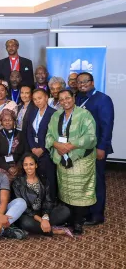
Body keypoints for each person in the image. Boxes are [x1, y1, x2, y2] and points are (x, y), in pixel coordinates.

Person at [46, 90, 97, 235]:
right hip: (62, 159)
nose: (65, 101)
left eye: (67, 98)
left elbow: (91, 137)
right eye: (61, 99)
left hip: (80, 160)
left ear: (73, 98)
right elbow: (49, 136)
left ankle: (78, 222)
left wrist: (71, 145)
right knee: (66, 191)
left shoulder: (84, 114)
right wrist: (58, 145)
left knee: (79, 193)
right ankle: (68, 219)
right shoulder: (56, 115)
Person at [75, 72, 114, 226]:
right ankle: (86, 211)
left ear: (92, 82)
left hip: (96, 149)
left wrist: (102, 147)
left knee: (97, 180)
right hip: (81, 149)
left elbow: (107, 125)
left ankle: (97, 214)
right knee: (85, 180)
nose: (82, 84)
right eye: (79, 82)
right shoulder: (77, 98)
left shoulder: (103, 99)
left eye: (85, 81)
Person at [12, 153, 72, 237]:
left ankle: (42, 227)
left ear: (36, 165)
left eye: (31, 164)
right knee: (25, 223)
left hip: (43, 213)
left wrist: (45, 217)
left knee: (65, 211)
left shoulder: (43, 179)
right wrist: (41, 220)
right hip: (29, 216)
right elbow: (23, 208)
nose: (28, 167)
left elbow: (48, 201)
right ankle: (53, 231)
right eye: (25, 165)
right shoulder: (17, 183)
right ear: (22, 166)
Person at [26, 89, 57, 200]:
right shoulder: (33, 112)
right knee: (36, 178)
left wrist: (43, 148)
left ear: (46, 98)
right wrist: (33, 148)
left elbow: (54, 134)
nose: (37, 101)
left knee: (49, 179)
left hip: (47, 152)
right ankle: (37, 201)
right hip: (34, 151)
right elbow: (29, 131)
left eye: (40, 98)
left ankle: (51, 202)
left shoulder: (53, 113)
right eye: (34, 99)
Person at [0, 110, 25, 181]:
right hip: (1, 166)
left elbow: (24, 153)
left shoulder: (21, 134)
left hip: (18, 166)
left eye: (10, 120)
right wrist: (8, 168)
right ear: (1, 122)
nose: (7, 122)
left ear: (14, 121)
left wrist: (18, 167)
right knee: (4, 179)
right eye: (5, 120)